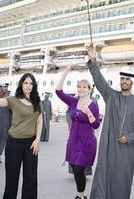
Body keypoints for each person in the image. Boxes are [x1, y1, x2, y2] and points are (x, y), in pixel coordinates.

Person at [86, 45, 134, 199]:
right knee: (104, 176)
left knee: (122, 179)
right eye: (122, 79)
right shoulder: (111, 96)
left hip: (127, 150)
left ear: (132, 82)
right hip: (109, 147)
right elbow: (99, 81)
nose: (124, 82)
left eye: (127, 79)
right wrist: (93, 60)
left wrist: (129, 137)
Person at [0, 72, 43, 199]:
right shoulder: (13, 100)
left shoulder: (37, 101)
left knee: (31, 178)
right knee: (12, 179)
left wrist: (37, 139)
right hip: (14, 143)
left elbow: (39, 120)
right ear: (21, 84)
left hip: (31, 144)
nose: (28, 86)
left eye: (31, 83)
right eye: (26, 83)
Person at [55, 65, 100, 199]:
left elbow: (96, 125)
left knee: (79, 169)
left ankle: (79, 196)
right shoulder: (74, 102)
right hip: (73, 141)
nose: (81, 89)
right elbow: (58, 92)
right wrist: (64, 74)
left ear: (89, 90)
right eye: (79, 87)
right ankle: (83, 194)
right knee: (75, 169)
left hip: (87, 142)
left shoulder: (93, 104)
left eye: (84, 87)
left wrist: (89, 114)